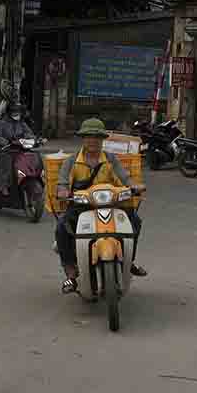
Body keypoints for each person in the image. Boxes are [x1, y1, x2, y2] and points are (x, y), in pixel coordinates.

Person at [55, 117, 146, 294]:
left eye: (97, 137)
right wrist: (63, 191)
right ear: (83, 139)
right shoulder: (72, 161)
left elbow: (125, 178)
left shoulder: (111, 159)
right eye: (89, 136)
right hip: (81, 206)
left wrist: (134, 185)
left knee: (135, 221)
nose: (93, 141)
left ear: (103, 139)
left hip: (111, 204)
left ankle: (129, 261)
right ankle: (71, 273)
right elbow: (62, 182)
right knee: (61, 228)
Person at [0, 101, 34, 190]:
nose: (17, 114)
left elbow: (29, 133)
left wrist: (33, 139)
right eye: (15, 112)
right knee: (7, 161)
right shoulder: (1, 122)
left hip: (19, 149)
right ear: (9, 113)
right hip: (4, 149)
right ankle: (3, 186)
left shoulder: (21, 123)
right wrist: (4, 141)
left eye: (18, 112)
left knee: (31, 157)